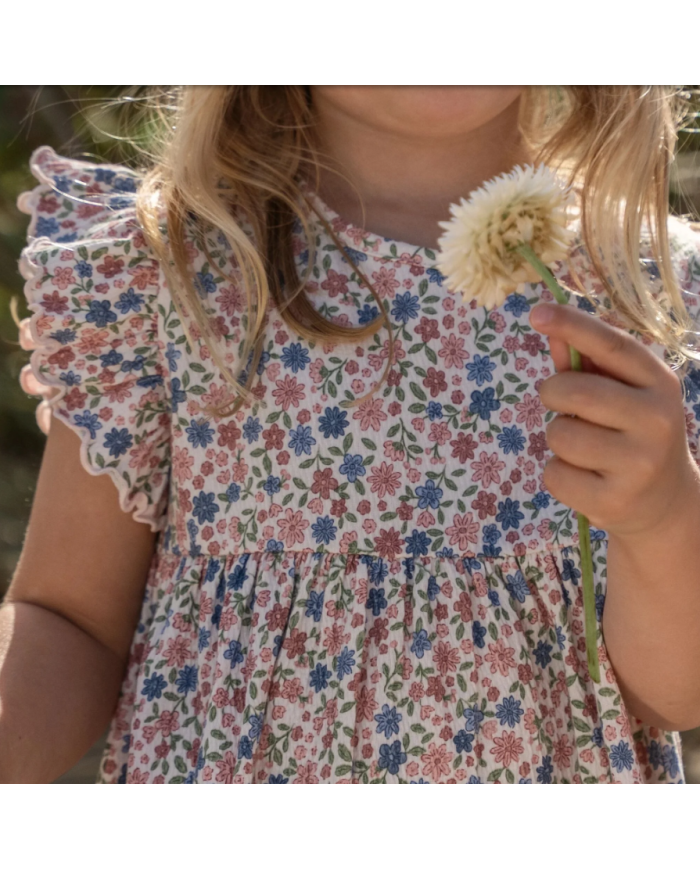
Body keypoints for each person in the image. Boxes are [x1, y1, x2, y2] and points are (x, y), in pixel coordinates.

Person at [2, 86, 700, 784]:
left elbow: (666, 697)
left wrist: (663, 519)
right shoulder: (170, 269)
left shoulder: (650, 294)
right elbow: (70, 621)